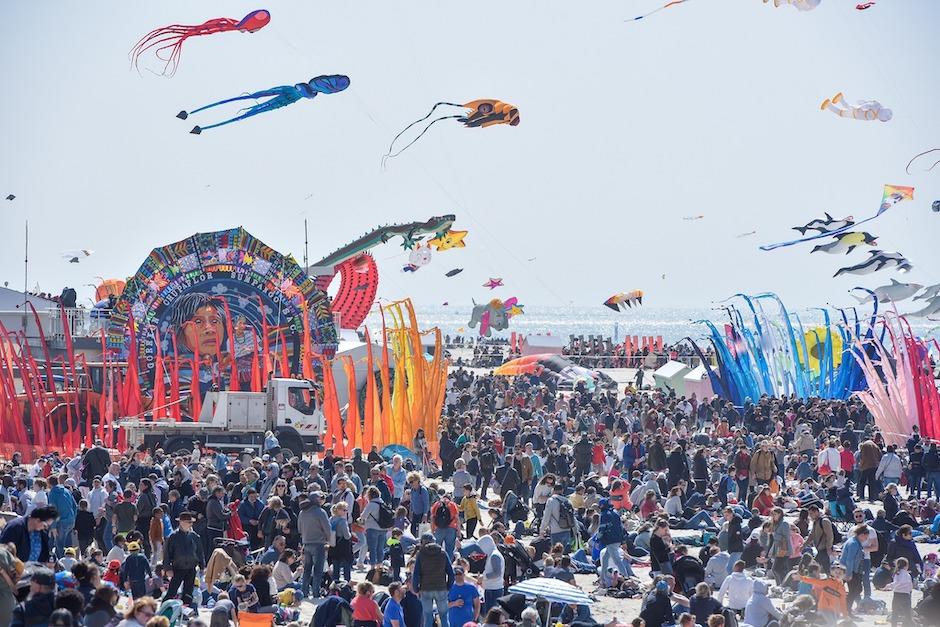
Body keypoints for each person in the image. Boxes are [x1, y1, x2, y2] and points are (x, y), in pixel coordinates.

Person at [412, 533, 455, 627]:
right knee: (444, 616)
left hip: (425, 589)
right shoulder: (442, 553)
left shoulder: (421, 554)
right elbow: (451, 573)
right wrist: (448, 587)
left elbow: (415, 575)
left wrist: (416, 589)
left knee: (427, 617)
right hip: (441, 588)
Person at [163, 511, 205, 605]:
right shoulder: (173, 537)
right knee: (172, 591)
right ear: (181, 522)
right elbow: (167, 554)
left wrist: (202, 566)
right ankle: (164, 608)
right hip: (177, 568)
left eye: (191, 522)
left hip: (191, 568)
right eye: (189, 522)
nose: (191, 524)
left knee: (188, 593)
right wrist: (167, 568)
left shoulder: (195, 536)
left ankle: (185, 611)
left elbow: (199, 552)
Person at [299, 492, 331, 599]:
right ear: (317, 499)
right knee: (318, 570)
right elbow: (328, 529)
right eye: (321, 498)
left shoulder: (302, 512)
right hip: (318, 544)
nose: (322, 500)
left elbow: (299, 529)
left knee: (307, 569)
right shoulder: (320, 512)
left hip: (306, 543)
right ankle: (316, 592)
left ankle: (304, 592)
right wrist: (331, 542)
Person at [839, 524, 869, 616]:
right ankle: (846, 610)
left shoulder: (854, 542)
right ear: (862, 534)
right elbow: (850, 560)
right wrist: (849, 574)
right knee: (855, 590)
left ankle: (846, 609)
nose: (866, 539)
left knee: (856, 590)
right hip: (849, 570)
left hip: (852, 570)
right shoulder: (853, 543)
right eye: (866, 536)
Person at [430, 493, 459, 560]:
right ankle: (448, 565)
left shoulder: (437, 504)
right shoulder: (452, 504)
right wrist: (458, 532)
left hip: (438, 528)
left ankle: (437, 563)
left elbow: (432, 518)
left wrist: (432, 530)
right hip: (451, 529)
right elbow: (457, 519)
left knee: (437, 548)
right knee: (449, 549)